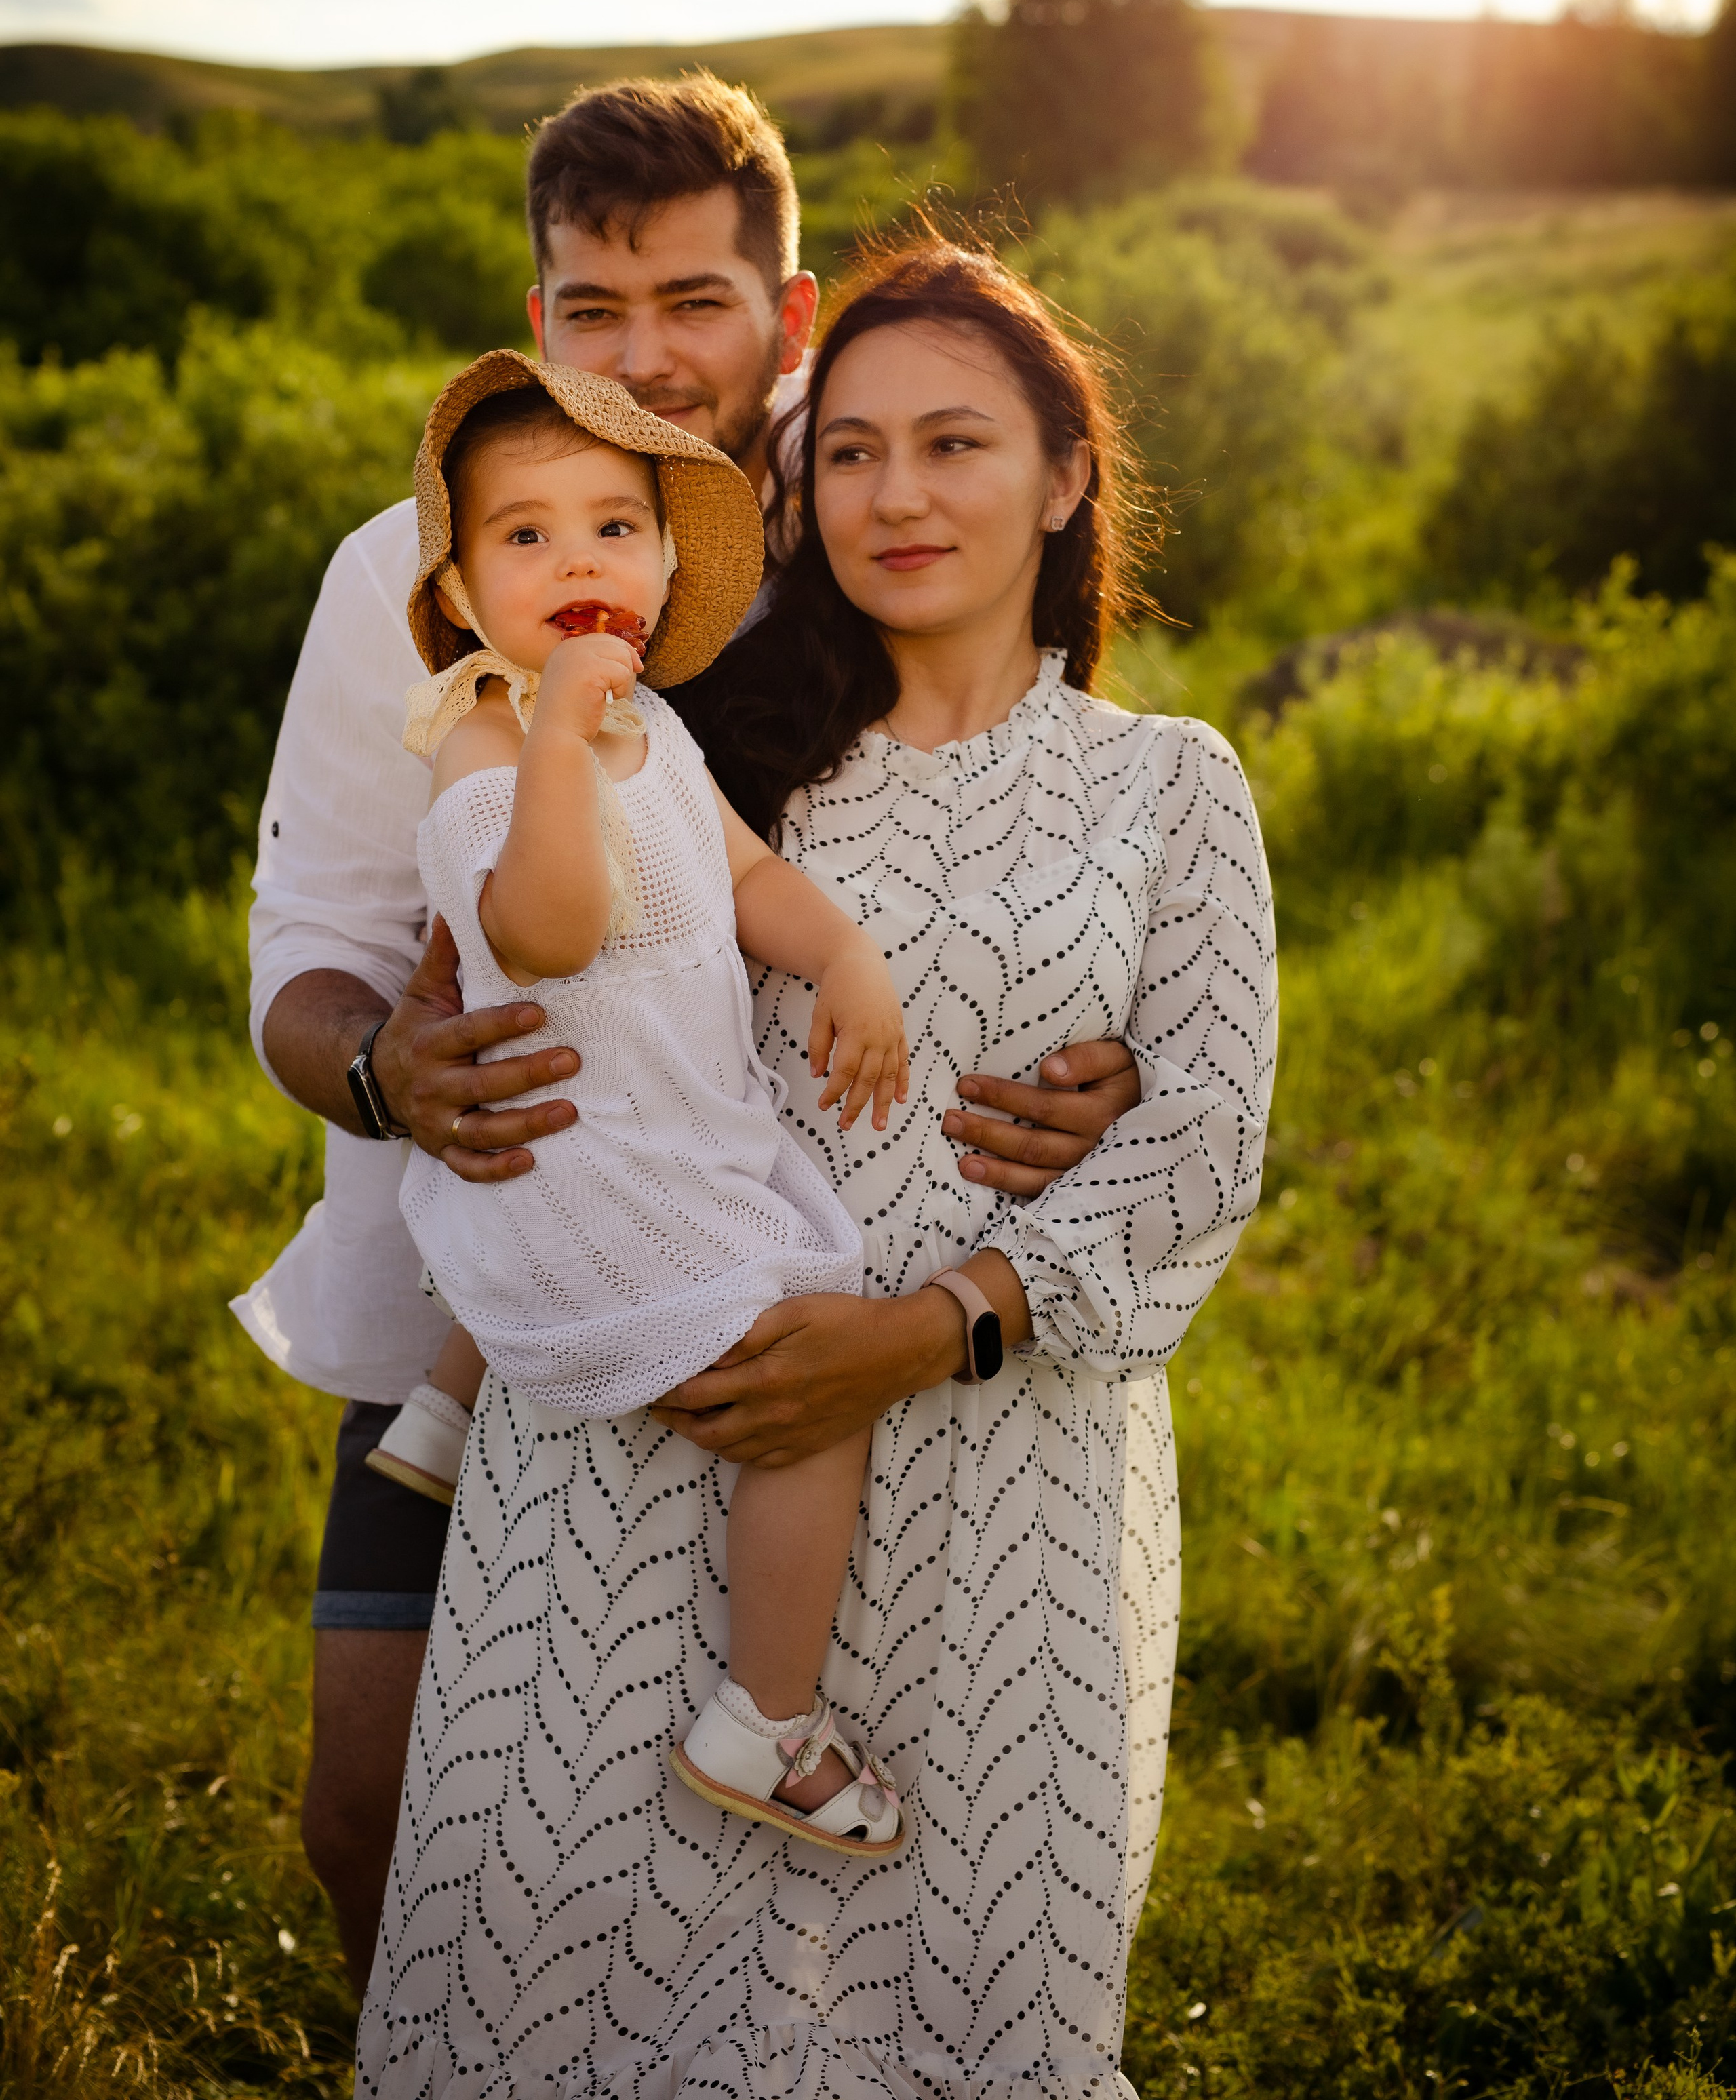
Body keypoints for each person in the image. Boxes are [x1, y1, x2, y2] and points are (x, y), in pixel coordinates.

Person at [240, 73, 1145, 1987]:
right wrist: (386, 1069)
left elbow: (1046, 831)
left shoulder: (873, 523)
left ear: (787, 314)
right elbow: (308, 947)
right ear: (538, 312)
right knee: (379, 1819)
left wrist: (1110, 1050)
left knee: (716, 1894)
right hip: (492, 1256)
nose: (644, 357)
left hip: (791, 1274)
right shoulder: (412, 574)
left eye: (695, 304)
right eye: (593, 308)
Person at [353, 236, 1278, 2099]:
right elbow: (511, 987)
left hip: (1004, 1494)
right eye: (849, 452)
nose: (897, 495)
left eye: (954, 443)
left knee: (961, 2012)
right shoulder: (688, 741)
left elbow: (1206, 1137)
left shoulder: (1170, 785)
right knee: (563, 2009)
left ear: (1066, 476)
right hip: (649, 1452)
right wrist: (424, 1060)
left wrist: (939, 1322)